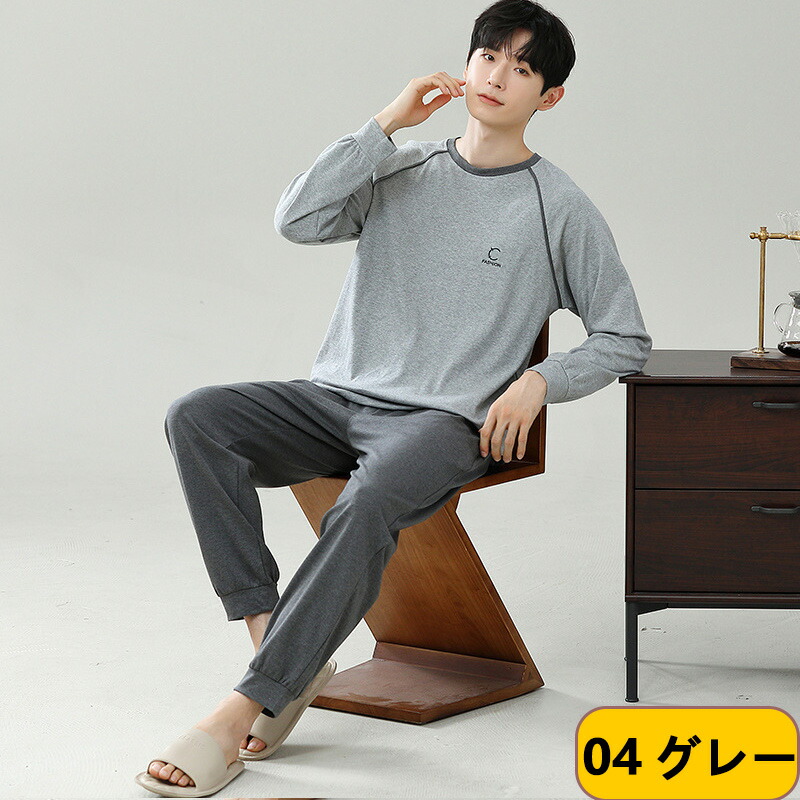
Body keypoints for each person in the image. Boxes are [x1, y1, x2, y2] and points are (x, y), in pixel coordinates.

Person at [136, 0, 652, 794]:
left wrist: (540, 380)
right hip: (337, 397)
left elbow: (625, 337)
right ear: (467, 64)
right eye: (488, 56)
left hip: (445, 423)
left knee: (369, 500)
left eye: (521, 68)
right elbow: (295, 220)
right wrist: (383, 124)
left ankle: (238, 711)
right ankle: (275, 638)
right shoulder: (400, 166)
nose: (497, 75)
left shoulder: (559, 206)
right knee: (197, 417)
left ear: (548, 97)